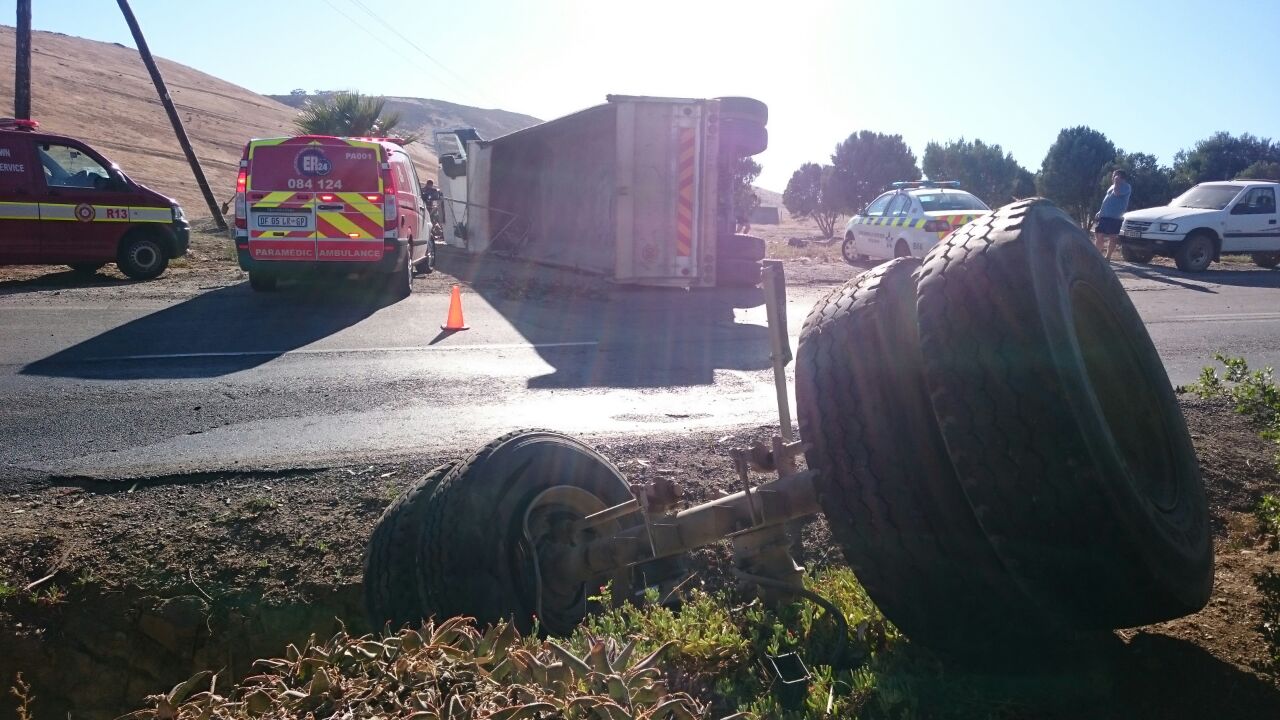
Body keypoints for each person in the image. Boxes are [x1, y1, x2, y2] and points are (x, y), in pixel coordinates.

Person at [1093, 169, 1132, 261]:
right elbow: (1108, 200)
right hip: (1104, 215)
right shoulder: (1112, 186)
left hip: (1115, 216)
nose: (1112, 177)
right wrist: (1100, 212)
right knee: (1099, 234)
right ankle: (1097, 255)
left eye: (1114, 175)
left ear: (1120, 177)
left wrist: (1117, 182)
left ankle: (1108, 257)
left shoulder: (1126, 187)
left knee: (1112, 237)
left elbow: (1117, 193)